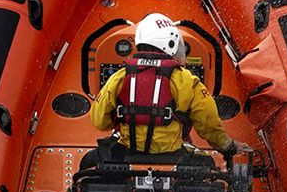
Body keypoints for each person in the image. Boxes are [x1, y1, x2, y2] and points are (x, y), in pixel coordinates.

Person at [86, 13, 250, 165]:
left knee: (88, 162)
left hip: (125, 154)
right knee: (208, 165)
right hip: (172, 157)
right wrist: (228, 147)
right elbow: (208, 124)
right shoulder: (187, 81)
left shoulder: (119, 77)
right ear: (170, 43)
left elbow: (100, 121)